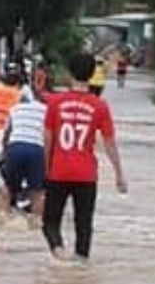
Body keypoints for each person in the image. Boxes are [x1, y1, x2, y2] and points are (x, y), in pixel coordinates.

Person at [41, 51, 128, 263]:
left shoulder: (55, 102)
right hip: (87, 174)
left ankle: (60, 254)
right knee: (84, 225)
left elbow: (48, 139)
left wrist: (46, 169)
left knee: (50, 223)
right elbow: (109, 143)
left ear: (70, 73)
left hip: (59, 171)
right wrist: (119, 174)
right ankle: (81, 266)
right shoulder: (100, 106)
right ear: (91, 75)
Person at [1, 73, 49, 216]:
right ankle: (36, 224)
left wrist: (5, 154)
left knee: (8, 188)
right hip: (36, 149)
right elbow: (48, 136)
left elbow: (6, 134)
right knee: (37, 191)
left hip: (15, 147)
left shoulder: (15, 108)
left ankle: (4, 216)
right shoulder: (46, 110)